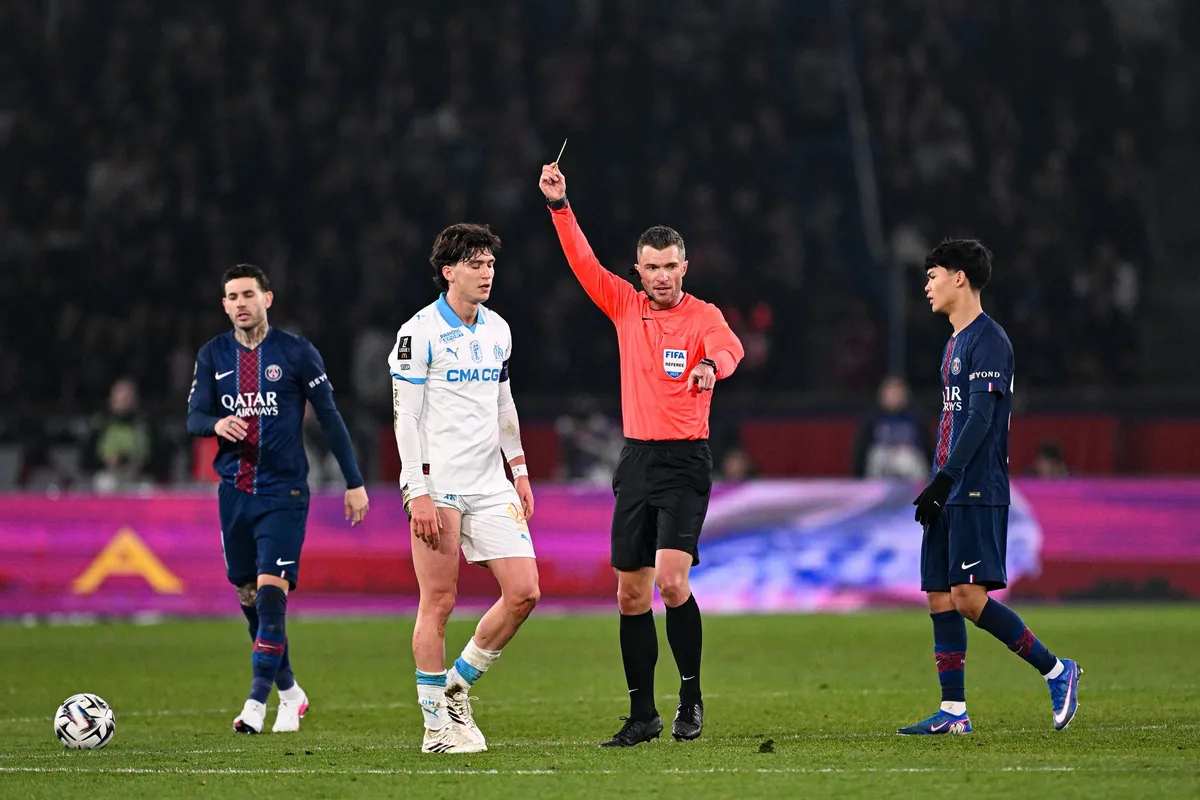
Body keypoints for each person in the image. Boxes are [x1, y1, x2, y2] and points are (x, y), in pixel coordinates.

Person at [539, 163, 745, 747]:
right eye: (650, 267)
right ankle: (642, 715)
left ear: (685, 267)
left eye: (669, 266)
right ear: (639, 270)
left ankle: (691, 697)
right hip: (635, 462)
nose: (659, 276)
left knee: (672, 583)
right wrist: (560, 206)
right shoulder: (625, 306)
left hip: (685, 463)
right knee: (630, 593)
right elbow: (582, 262)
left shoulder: (702, 316)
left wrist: (711, 366)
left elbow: (731, 349)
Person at [900, 239, 1081, 735]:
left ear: (959, 276)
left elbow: (980, 418)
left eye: (933, 275)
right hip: (947, 485)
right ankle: (954, 713)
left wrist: (946, 478)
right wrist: (938, 480)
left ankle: (1057, 670)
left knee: (968, 598)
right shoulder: (954, 343)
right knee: (939, 594)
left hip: (974, 486)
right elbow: (954, 417)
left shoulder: (990, 340)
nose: (927, 286)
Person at [187, 264, 369, 735]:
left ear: (268, 298)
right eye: (232, 296)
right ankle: (290, 691)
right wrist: (215, 425)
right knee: (250, 596)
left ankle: (255, 702)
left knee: (271, 595)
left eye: (249, 293)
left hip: (284, 493)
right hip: (234, 494)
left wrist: (354, 481)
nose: (241, 303)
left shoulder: (296, 353)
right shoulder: (212, 356)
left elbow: (329, 417)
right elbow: (193, 416)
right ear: (224, 305)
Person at [389, 223, 539, 755]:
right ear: (448, 271)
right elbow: (406, 417)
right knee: (439, 601)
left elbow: (504, 405)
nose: (486, 273)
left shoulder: (498, 329)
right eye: (475, 264)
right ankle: (436, 729)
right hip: (440, 482)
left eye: (491, 264)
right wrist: (418, 489)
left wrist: (518, 469)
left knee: (524, 592)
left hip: (488, 480)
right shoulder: (419, 332)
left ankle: (456, 685)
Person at [851, 375, 932, 481]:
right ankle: (873, 491)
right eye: (891, 394)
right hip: (882, 459)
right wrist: (857, 477)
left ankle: (920, 493)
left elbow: (927, 448)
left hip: (908, 461)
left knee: (910, 457)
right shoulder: (872, 418)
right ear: (882, 396)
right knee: (876, 455)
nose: (894, 398)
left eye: (898, 394)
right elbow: (862, 449)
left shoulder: (915, 416)